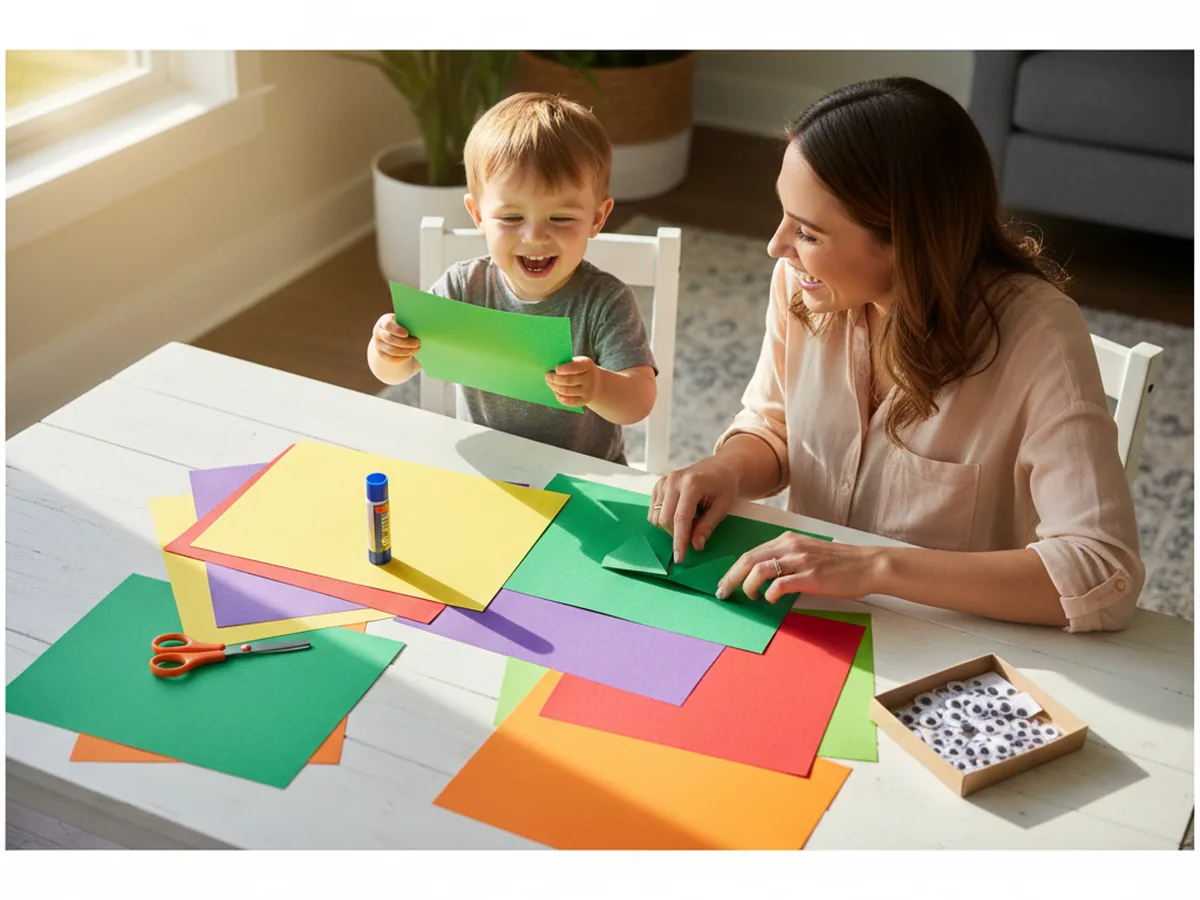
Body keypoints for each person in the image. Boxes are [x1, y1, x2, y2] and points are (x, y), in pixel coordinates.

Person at [648, 77, 1143, 633]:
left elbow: (1104, 572)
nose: (777, 246)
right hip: (800, 623)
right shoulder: (800, 282)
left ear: (905, 238)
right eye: (785, 216)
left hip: (948, 650)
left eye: (809, 233)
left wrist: (874, 567)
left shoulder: (1040, 337)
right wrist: (728, 466)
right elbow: (778, 424)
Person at [367, 92, 657, 465]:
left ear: (598, 219)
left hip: (585, 476)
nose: (535, 237)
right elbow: (396, 371)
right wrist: (387, 348)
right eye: (511, 218)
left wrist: (599, 385)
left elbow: (639, 401)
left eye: (561, 218)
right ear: (478, 215)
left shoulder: (606, 301)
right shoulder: (461, 287)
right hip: (487, 469)